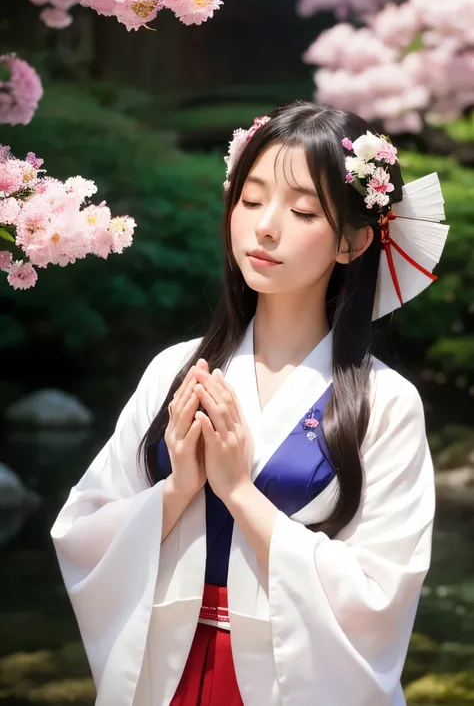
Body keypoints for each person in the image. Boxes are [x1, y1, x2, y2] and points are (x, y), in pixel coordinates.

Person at [51, 101, 449, 706]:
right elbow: (83, 534)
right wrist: (177, 487)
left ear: (353, 241)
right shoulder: (175, 371)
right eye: (251, 198)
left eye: (303, 210)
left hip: (291, 680)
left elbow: (380, 595)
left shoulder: (385, 402)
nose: (266, 226)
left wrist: (239, 492)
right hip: (170, 668)